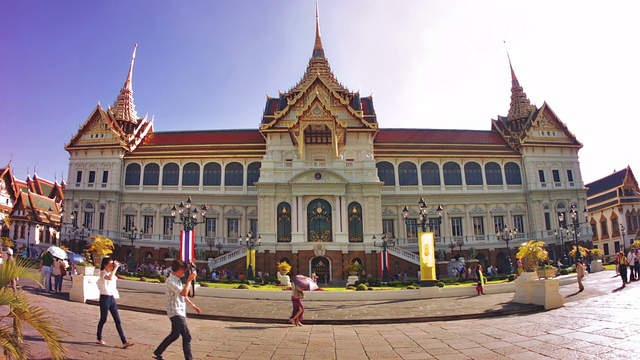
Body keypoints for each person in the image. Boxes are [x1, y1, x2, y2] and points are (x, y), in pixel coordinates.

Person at [154, 260, 200, 360]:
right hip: (175, 311)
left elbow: (183, 295)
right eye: (183, 271)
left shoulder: (177, 280)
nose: (184, 273)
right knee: (187, 336)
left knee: (175, 334)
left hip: (179, 310)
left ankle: (158, 351)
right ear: (179, 270)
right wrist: (188, 281)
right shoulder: (170, 281)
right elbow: (184, 293)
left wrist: (193, 305)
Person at [96, 257, 133, 348]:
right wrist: (115, 268)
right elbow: (109, 278)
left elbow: (113, 278)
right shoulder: (102, 273)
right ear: (105, 265)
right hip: (104, 298)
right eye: (110, 265)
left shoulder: (110, 273)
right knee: (103, 319)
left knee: (118, 320)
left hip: (111, 298)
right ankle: (99, 337)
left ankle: (124, 341)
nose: (112, 266)